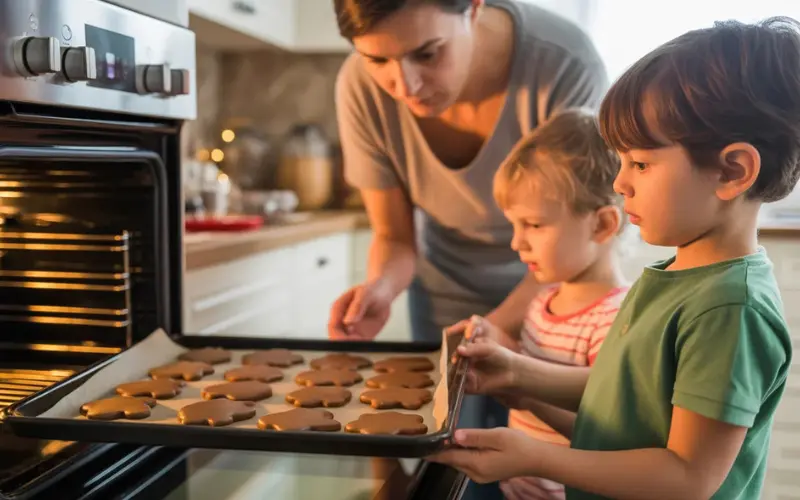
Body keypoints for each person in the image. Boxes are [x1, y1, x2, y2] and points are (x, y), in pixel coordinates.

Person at [429, 16, 799, 500]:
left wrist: (536, 454)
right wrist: (516, 376)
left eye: (641, 163)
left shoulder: (729, 309)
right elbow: (624, 401)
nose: (621, 183)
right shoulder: (680, 276)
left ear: (732, 171)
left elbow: (688, 477)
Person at [328, 0, 606, 430]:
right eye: (377, 59)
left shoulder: (564, 63)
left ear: (473, 8)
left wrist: (485, 333)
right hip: (444, 299)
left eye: (427, 53)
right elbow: (395, 236)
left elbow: (577, 234)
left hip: (554, 306)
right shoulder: (359, 88)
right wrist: (380, 288)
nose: (405, 85)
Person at [465, 107, 630, 500]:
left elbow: (606, 437)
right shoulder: (542, 302)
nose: (517, 242)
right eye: (514, 224)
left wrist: (526, 396)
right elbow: (528, 364)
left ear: (602, 225)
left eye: (535, 225)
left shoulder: (616, 320)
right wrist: (496, 339)